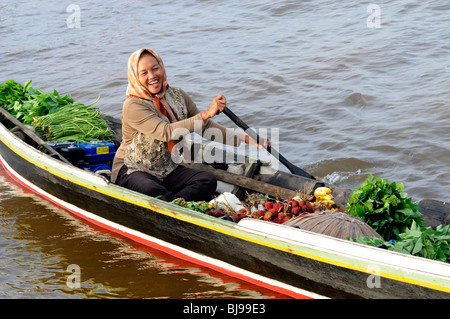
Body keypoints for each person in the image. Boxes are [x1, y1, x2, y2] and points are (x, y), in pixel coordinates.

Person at [111, 48, 266, 202]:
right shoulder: (133, 104)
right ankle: (173, 203)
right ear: (135, 77)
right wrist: (206, 114)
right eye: (144, 73)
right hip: (133, 169)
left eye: (155, 68)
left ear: (162, 67)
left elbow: (204, 127)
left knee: (207, 180)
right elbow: (165, 132)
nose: (152, 76)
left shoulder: (177, 95)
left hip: (166, 169)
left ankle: (173, 204)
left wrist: (246, 138)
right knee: (149, 189)